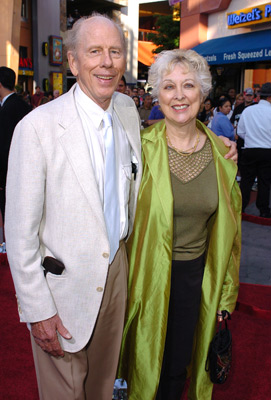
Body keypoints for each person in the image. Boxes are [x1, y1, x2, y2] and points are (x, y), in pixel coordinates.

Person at [5, 14, 142, 400]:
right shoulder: (37, 128)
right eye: (94, 51)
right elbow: (18, 232)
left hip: (116, 272)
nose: (107, 62)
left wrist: (218, 147)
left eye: (115, 52)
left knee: (101, 389)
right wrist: (37, 309)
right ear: (73, 61)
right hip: (61, 287)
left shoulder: (128, 112)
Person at [118, 49, 241, 400]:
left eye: (188, 85)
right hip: (143, 277)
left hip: (197, 279)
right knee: (141, 366)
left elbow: (232, 237)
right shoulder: (137, 151)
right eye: (169, 87)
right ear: (157, 95)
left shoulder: (222, 156)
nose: (179, 95)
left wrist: (227, 293)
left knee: (177, 370)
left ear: (202, 94)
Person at [0, 66, 32, 224]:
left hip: (9, 175)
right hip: (26, 171)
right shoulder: (23, 104)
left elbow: (4, 146)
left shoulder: (7, 109)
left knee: (11, 218)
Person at [237, 82, 271, 218]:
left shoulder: (248, 110)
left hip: (250, 149)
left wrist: (252, 138)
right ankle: (263, 210)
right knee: (264, 181)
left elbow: (240, 132)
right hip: (267, 150)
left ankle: (241, 207)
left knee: (246, 180)